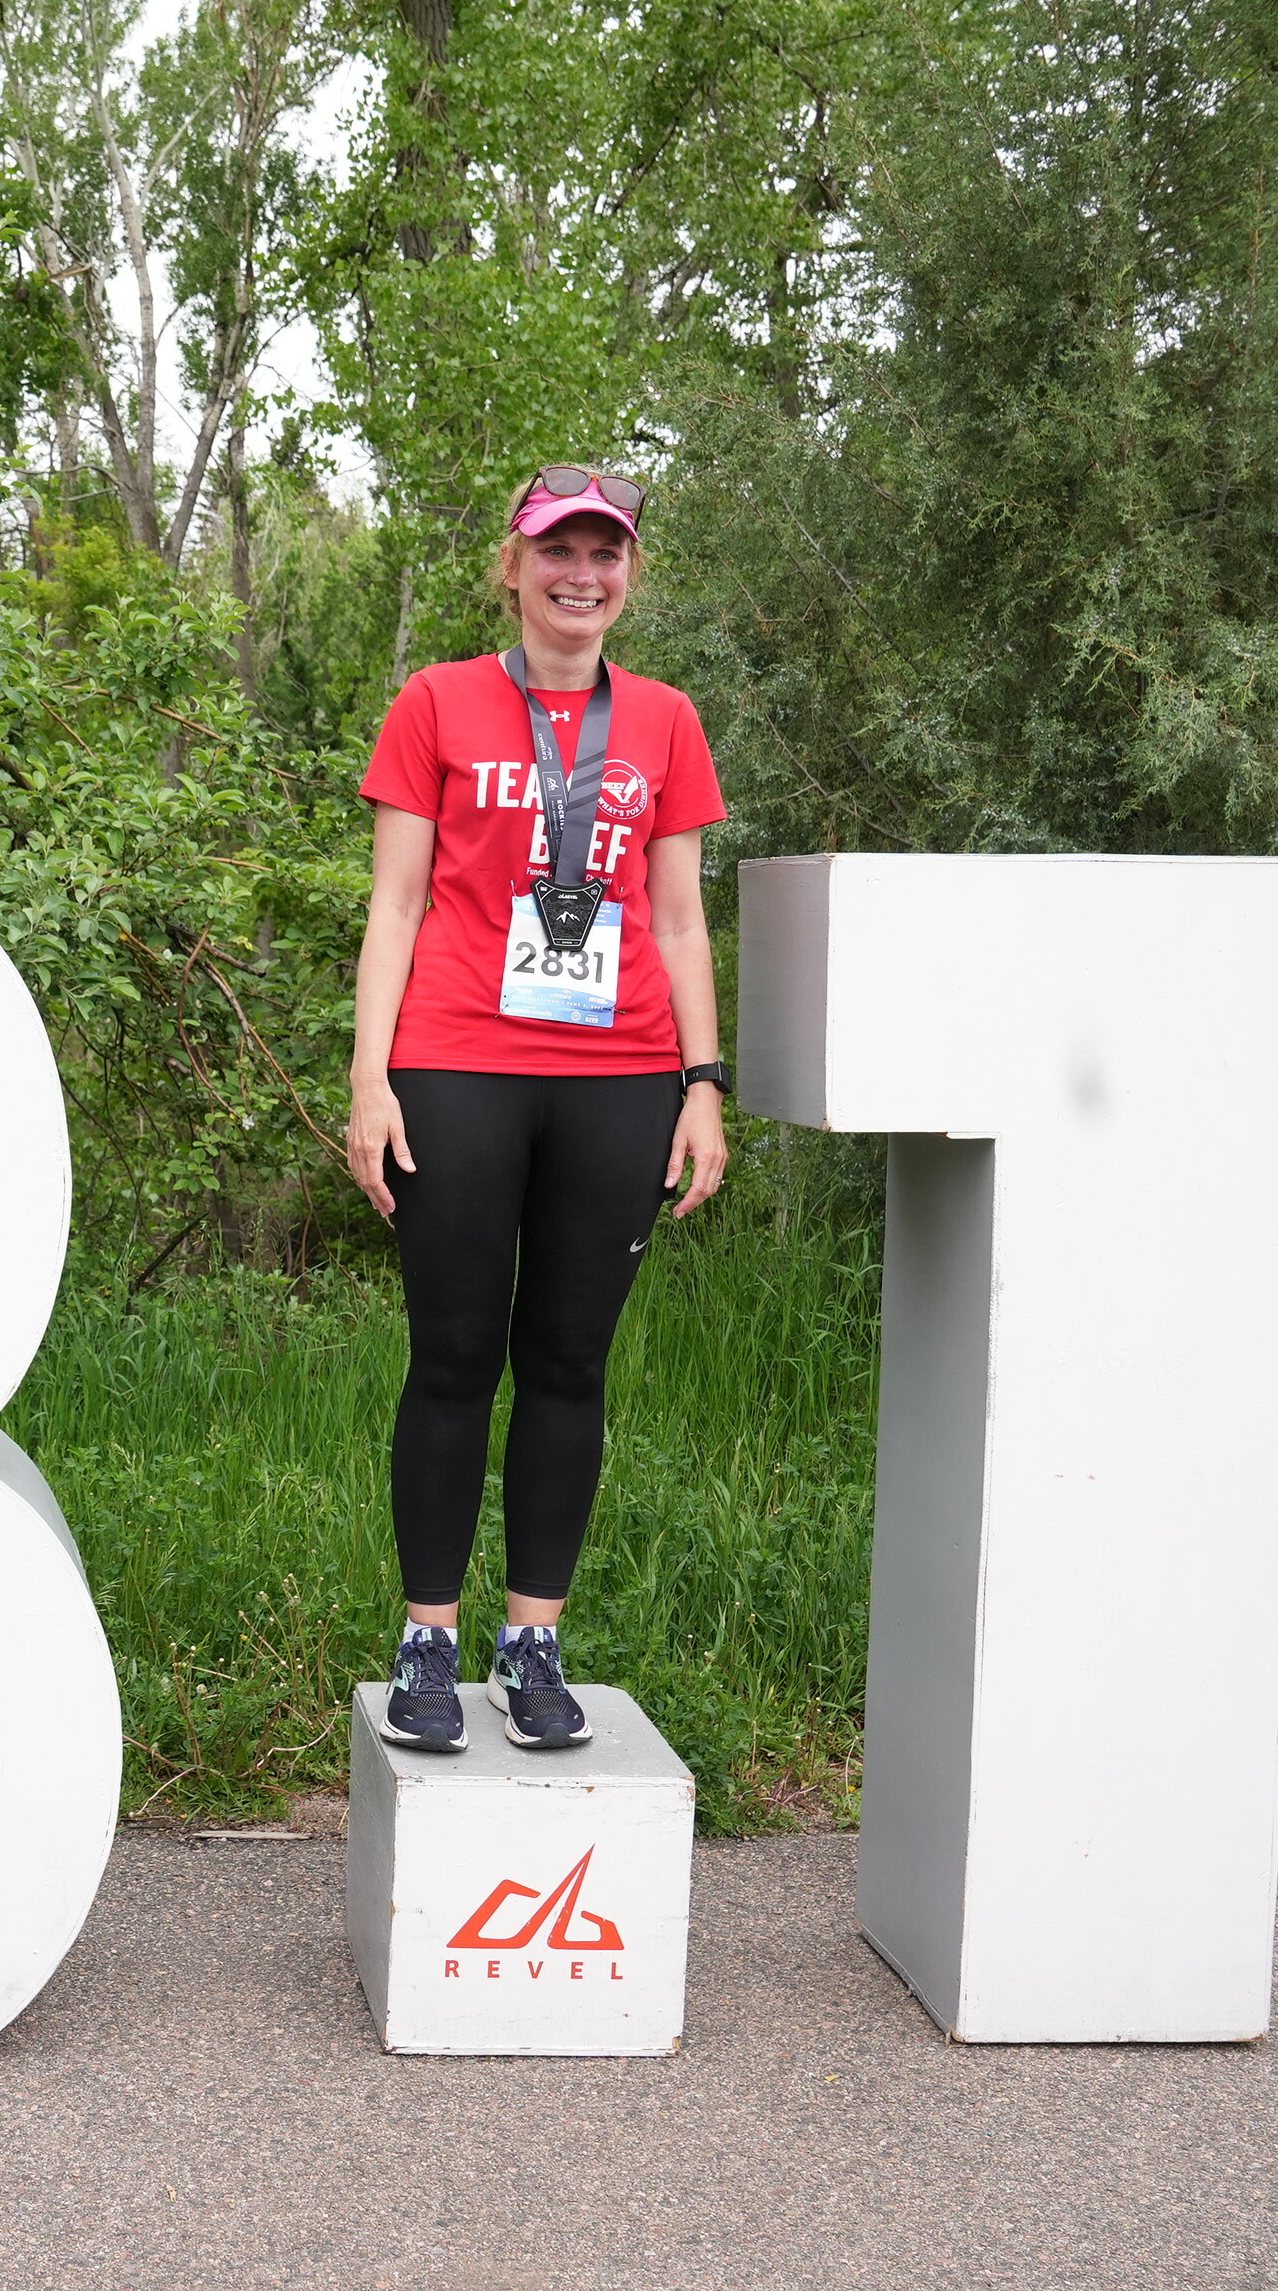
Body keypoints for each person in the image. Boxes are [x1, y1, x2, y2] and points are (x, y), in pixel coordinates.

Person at [346, 466, 730, 1751]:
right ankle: (427, 1642)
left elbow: (678, 918)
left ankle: (534, 1643)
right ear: (512, 568)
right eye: (557, 550)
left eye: (605, 553)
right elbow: (396, 903)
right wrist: (369, 1077)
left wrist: (703, 1084)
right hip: (459, 1063)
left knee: (569, 1363)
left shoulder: (665, 720)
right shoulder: (438, 700)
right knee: (454, 1356)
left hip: (621, 1078)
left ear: (629, 576)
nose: (582, 574)